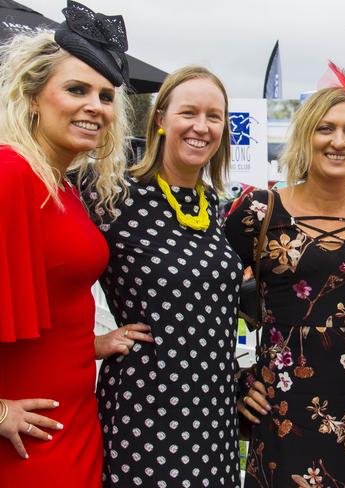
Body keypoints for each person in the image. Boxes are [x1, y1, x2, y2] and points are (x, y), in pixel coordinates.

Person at [225, 64, 345, 487]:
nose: (339, 141)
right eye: (326, 128)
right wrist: (234, 380)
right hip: (283, 411)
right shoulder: (258, 211)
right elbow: (207, 301)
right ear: (306, 135)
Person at [84, 65, 244, 487]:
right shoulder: (109, 195)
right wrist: (90, 344)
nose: (201, 127)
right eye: (188, 112)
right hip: (145, 411)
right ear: (160, 120)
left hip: (214, 415)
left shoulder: (221, 210)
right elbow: (51, 266)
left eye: (214, 116)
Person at [0, 1, 132, 486]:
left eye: (104, 95)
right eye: (77, 89)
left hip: (76, 419)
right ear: (33, 98)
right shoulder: (9, 174)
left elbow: (49, 302)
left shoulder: (62, 185)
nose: (95, 106)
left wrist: (93, 344)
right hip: (24, 440)